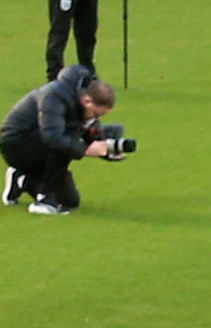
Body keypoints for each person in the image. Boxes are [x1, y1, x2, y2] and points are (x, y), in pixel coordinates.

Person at [2, 58, 122, 214]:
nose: (95, 119)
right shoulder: (54, 96)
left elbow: (86, 133)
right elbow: (52, 136)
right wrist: (86, 150)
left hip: (41, 147)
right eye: (96, 114)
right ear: (87, 101)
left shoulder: (82, 104)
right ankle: (43, 201)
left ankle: (22, 180)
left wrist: (107, 150)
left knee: (69, 200)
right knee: (64, 140)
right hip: (16, 144)